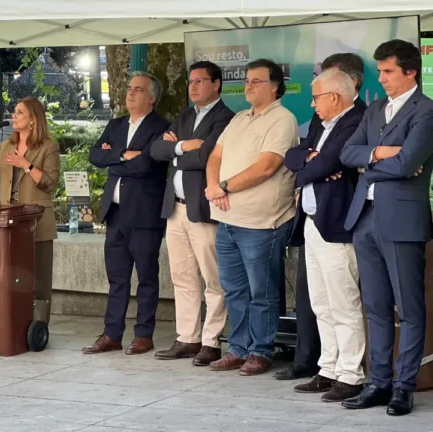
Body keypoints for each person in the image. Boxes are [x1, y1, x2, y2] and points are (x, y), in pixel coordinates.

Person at [339, 39, 433, 416]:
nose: (382, 78)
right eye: (379, 71)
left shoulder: (426, 111)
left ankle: (403, 386)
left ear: (411, 71)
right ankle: (378, 382)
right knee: (375, 307)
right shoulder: (375, 108)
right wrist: (379, 153)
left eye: (388, 71)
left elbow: (410, 161)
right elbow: (348, 153)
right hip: (365, 217)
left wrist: (370, 163)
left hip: (403, 219)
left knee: (409, 308)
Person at [275, 52, 368, 382]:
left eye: (316, 98)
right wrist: (309, 161)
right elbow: (293, 156)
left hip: (338, 224)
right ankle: (328, 368)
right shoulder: (322, 123)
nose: (312, 104)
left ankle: (350, 375)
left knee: (344, 304)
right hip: (312, 221)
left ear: (334, 96)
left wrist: (310, 164)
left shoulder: (357, 120)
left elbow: (328, 163)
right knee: (321, 304)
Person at [204, 59, 299, 376]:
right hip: (228, 221)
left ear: (274, 87)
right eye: (247, 80)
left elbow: (268, 166)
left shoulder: (282, 119)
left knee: (262, 292)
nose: (248, 86)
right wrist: (212, 186)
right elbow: (215, 155)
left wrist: (224, 187)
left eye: (256, 81)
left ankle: (262, 350)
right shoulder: (240, 118)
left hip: (262, 223)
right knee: (234, 290)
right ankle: (238, 348)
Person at [149, 61, 234, 365]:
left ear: (217, 84)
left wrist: (177, 150)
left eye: (200, 81)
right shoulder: (185, 115)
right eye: (190, 81)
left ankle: (211, 341)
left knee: (213, 279)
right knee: (182, 277)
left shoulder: (226, 118)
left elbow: (207, 156)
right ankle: (188, 338)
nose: (193, 86)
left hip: (204, 210)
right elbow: (156, 151)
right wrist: (185, 146)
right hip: (176, 209)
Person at [83, 72, 170, 355]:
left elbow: (148, 164)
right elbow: (96, 156)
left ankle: (144, 334)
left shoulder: (161, 126)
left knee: (146, 276)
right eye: (129, 88)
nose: (130, 93)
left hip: (145, 214)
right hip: (116, 212)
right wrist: (122, 155)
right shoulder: (116, 124)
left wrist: (115, 159)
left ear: (152, 98)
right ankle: (112, 333)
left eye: (138, 89)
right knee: (117, 277)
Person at [0, 97, 60, 323]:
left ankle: (39, 325)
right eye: (14, 111)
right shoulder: (6, 146)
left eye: (20, 112)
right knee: (11, 275)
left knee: (38, 276)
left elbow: (50, 183)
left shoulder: (48, 147)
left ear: (33, 119)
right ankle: (12, 321)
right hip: (8, 220)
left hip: (37, 221)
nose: (14, 115)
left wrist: (26, 165)